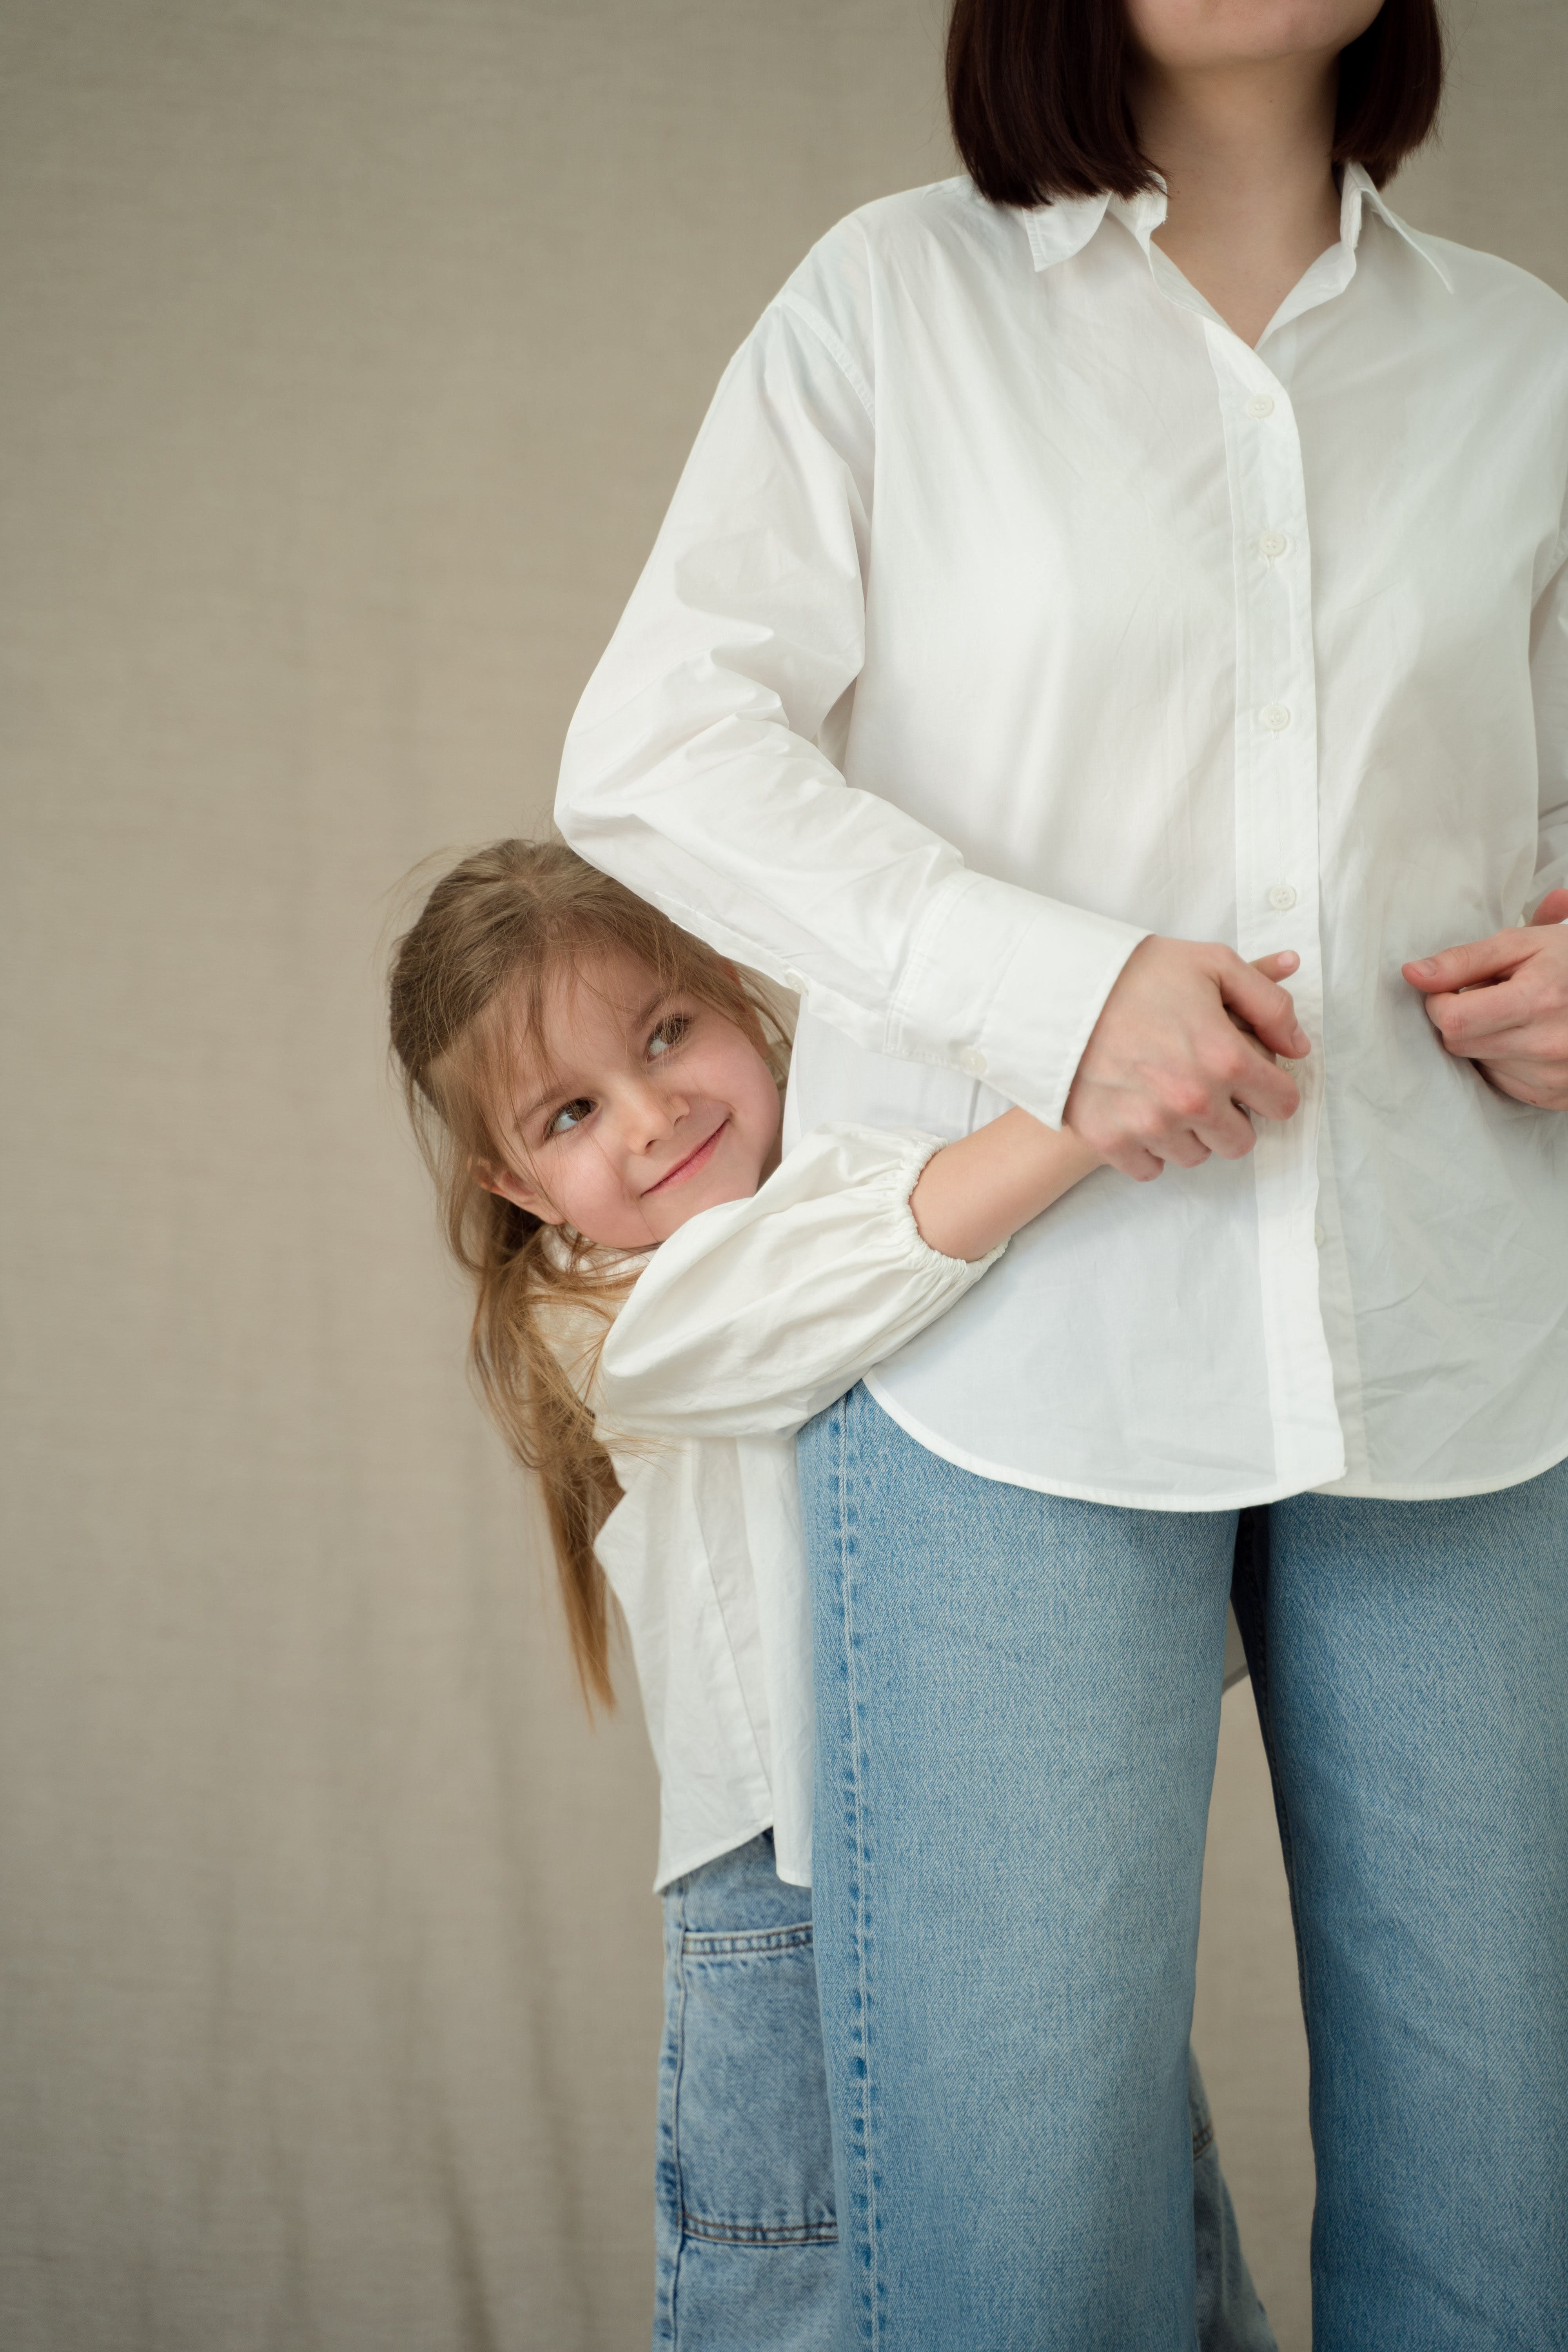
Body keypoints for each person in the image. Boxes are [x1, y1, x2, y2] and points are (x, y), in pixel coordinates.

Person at [554, 0, 1568, 2343]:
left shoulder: (1523, 365)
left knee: (1511, 2233)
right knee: (1018, 2257)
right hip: (1007, 1364)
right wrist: (1050, 982)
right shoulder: (889, 308)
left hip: (1459, 1354)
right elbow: (663, 744)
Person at [386, 838, 1279, 2352]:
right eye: (574, 1110)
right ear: (514, 1182)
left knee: (1114, 2237)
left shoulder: (874, 1147)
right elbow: (803, 1285)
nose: (656, 1112)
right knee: (798, 2279)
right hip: (779, 1897)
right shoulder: (599, 1320)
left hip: (1005, 1847)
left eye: (669, 1032)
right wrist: (1088, 1105)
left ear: (743, 995)